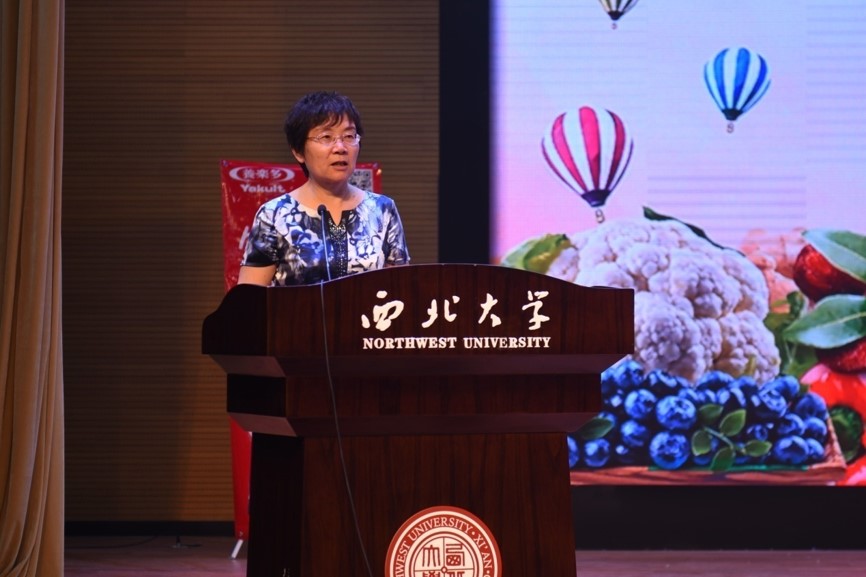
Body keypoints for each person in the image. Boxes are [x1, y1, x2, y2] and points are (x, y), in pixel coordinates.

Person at [238, 91, 410, 286]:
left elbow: (400, 290)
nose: (340, 147)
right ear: (298, 151)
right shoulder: (274, 215)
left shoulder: (382, 209)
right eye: (326, 137)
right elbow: (248, 298)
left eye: (349, 136)